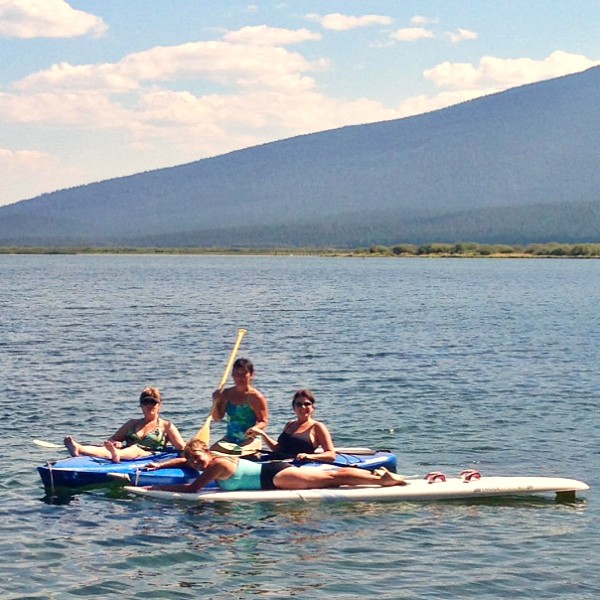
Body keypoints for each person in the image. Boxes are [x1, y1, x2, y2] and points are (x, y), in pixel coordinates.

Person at [145, 438, 407, 493]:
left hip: (275, 478)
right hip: (272, 471)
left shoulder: (214, 466)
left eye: (197, 458)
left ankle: (379, 481)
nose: (194, 463)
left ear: (207, 453)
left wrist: (155, 488)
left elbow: (193, 489)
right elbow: (186, 458)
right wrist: (163, 465)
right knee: (330, 474)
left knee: (331, 479)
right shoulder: (213, 459)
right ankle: (373, 475)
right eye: (192, 460)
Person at [63, 386, 186, 463]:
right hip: (127, 453)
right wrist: (115, 443)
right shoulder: (132, 423)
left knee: (134, 449)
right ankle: (79, 448)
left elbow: (181, 447)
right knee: (108, 449)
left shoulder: (166, 426)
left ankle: (116, 455)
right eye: (146, 402)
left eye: (153, 402)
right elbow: (111, 440)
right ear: (141, 405)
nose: (149, 405)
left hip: (149, 455)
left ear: (159, 405)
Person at [248, 389, 336, 462]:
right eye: (299, 404)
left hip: (294, 466)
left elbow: (331, 454)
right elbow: (277, 449)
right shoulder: (290, 424)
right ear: (294, 408)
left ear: (312, 407)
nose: (303, 407)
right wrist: (263, 434)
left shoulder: (317, 427)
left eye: (307, 404)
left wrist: (309, 456)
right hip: (276, 460)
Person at [211, 358, 268, 451]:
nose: (239, 378)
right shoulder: (226, 394)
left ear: (251, 375)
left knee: (238, 455)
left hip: (250, 440)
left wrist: (255, 428)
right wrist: (215, 401)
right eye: (236, 374)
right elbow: (217, 418)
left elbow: (264, 421)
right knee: (209, 455)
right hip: (229, 439)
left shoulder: (256, 397)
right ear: (232, 375)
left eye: (243, 374)